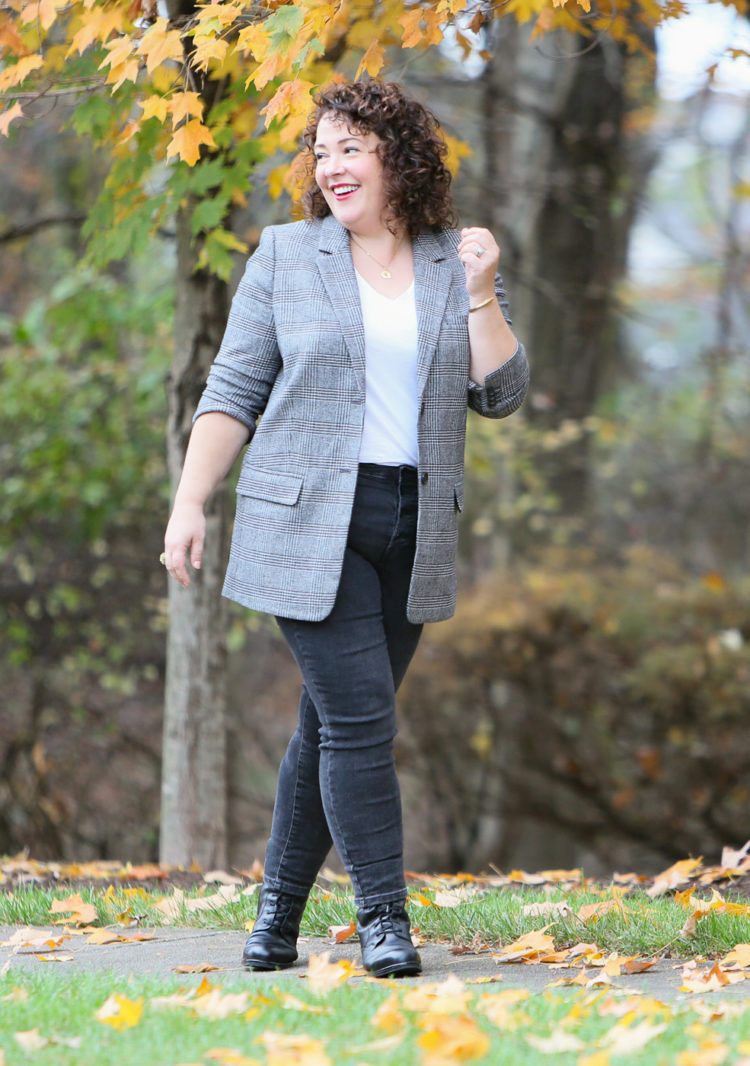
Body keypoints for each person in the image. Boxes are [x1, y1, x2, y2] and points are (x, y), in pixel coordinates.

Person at [162, 79, 529, 978]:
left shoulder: (455, 261)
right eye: (321, 150)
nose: (330, 166)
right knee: (362, 724)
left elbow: (504, 395)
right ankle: (383, 919)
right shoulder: (287, 255)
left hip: (412, 523)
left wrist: (483, 294)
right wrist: (190, 501)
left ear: (397, 157)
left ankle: (275, 919)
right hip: (305, 520)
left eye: (350, 147)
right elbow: (233, 391)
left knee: (328, 727)